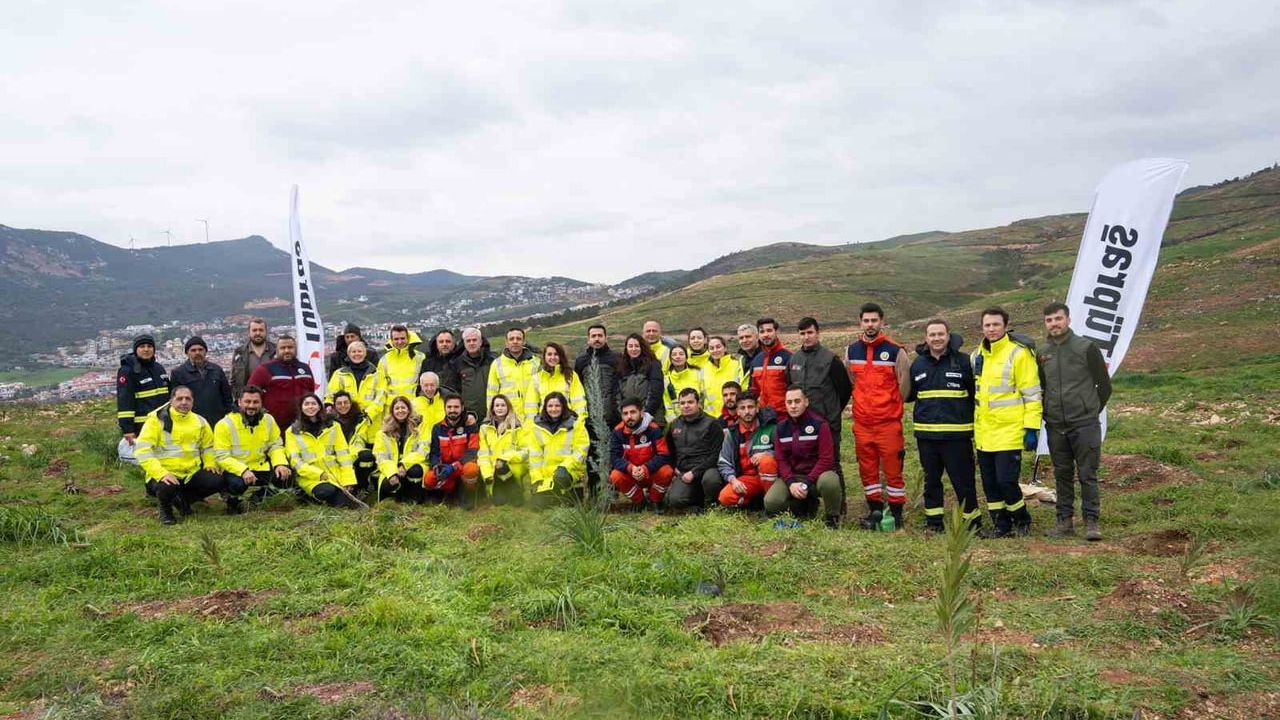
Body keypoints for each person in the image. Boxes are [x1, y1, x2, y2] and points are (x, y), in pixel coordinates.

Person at [1040, 302, 1112, 541]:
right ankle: (1064, 522)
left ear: (1068, 320)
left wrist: (1089, 410)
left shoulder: (1086, 347)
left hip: (1084, 424)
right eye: (1049, 320)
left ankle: (1092, 522)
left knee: (1087, 474)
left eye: (1058, 318)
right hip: (1055, 425)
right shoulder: (1042, 352)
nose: (1054, 324)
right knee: (1062, 474)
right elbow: (1042, 386)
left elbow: (1104, 385)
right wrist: (1048, 412)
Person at [907, 319, 981, 533]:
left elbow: (975, 394)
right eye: (932, 335)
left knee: (964, 483)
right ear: (926, 338)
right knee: (931, 482)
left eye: (941, 334)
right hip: (927, 437)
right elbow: (911, 395)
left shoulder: (964, 362)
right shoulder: (918, 364)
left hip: (957, 437)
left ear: (948, 336)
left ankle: (972, 524)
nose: (937, 338)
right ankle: (934, 523)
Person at [973, 307, 1041, 537]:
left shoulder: (1019, 353)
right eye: (987, 325)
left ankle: (1021, 520)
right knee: (990, 483)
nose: (991, 329)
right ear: (982, 327)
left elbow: (1032, 394)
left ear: (1005, 326)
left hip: (1009, 432)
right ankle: (1000, 525)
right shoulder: (977, 355)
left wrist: (1031, 428)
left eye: (996, 324)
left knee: (1006, 481)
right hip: (984, 433)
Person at [845, 303, 911, 529]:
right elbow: (851, 381)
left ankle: (896, 516)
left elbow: (904, 386)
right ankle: (874, 512)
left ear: (882, 321)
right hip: (862, 424)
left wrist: (890, 408)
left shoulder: (895, 351)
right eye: (866, 320)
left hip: (888, 424)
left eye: (874, 320)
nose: (870, 324)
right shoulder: (851, 351)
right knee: (867, 470)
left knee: (893, 471)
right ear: (860, 322)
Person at [134, 385, 224, 525]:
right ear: (171, 401)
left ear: (193, 402)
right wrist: (161, 474)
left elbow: (208, 446)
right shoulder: (156, 421)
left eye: (188, 399)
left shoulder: (200, 421)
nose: (184, 402)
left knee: (217, 480)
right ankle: (166, 511)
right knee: (167, 486)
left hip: (190, 473)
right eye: (179, 399)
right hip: (163, 474)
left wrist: (209, 463)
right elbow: (142, 451)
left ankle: (183, 501)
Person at [765, 386, 843, 528]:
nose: (793, 406)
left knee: (830, 482)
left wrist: (807, 483)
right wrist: (790, 483)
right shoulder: (781, 428)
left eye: (797, 401)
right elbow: (781, 460)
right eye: (789, 402)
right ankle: (804, 508)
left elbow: (826, 459)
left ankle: (832, 518)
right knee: (771, 502)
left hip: (817, 477)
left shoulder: (820, 424)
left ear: (806, 402)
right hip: (794, 477)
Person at [787, 318, 852, 484]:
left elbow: (844, 390)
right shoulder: (794, 360)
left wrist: (832, 411)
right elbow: (790, 388)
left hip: (828, 423)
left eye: (810, 332)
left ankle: (838, 499)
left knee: (832, 464)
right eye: (802, 333)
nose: (806, 337)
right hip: (801, 424)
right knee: (805, 465)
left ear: (817, 333)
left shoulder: (831, 359)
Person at [214, 385, 292, 511]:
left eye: (256, 402)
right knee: (237, 485)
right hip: (235, 470)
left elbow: (275, 445)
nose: (251, 405)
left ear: (261, 403)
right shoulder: (224, 424)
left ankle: (257, 498)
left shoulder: (268, 420)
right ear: (239, 402)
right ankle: (232, 500)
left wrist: (280, 464)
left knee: (287, 476)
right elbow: (222, 456)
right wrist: (243, 470)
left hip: (260, 466)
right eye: (247, 401)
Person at [285, 393, 359, 508]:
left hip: (334, 474)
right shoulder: (292, 431)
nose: (310, 407)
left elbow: (343, 455)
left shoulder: (333, 426)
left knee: (345, 500)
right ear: (301, 408)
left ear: (319, 406)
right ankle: (306, 495)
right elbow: (295, 461)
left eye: (313, 403)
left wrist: (348, 479)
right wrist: (319, 474)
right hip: (310, 478)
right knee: (327, 491)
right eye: (306, 404)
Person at [664, 388, 725, 511]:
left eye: (690, 402)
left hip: (707, 469)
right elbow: (669, 450)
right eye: (682, 403)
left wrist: (695, 472)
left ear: (698, 403)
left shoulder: (712, 423)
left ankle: (712, 504)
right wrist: (674, 466)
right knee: (674, 500)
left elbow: (717, 454)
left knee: (711, 480)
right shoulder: (674, 425)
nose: (686, 406)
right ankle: (697, 502)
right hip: (684, 472)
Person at [716, 391, 779, 509]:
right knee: (725, 497)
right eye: (742, 408)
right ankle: (756, 501)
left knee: (766, 461)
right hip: (748, 479)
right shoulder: (732, 433)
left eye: (750, 407)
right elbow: (724, 462)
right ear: (737, 411)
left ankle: (771, 502)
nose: (747, 411)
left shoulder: (771, 428)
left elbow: (785, 454)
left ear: (757, 408)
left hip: (770, 478)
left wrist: (768, 454)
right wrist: (733, 481)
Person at [609, 397, 674, 510]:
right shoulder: (617, 432)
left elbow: (663, 455)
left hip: (650, 473)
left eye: (633, 412)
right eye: (625, 413)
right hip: (631, 474)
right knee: (615, 476)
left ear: (641, 412)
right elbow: (615, 458)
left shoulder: (654, 429)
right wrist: (630, 468)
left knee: (667, 471)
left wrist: (646, 468)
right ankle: (639, 501)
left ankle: (655, 500)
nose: (629, 416)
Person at [526, 392, 589, 507]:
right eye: (550, 406)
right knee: (536, 506)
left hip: (569, 471)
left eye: (557, 406)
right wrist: (537, 478)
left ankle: (571, 493)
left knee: (562, 482)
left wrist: (565, 467)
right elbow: (535, 456)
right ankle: (556, 496)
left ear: (563, 406)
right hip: (547, 475)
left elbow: (581, 451)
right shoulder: (537, 427)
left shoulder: (576, 424)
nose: (553, 409)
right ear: (545, 407)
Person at [247, 335, 317, 432]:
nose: (287, 350)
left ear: (296, 349)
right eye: (283, 348)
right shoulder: (265, 369)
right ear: (277, 350)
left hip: (303, 423)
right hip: (276, 425)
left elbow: (311, 392)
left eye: (290, 347)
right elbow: (250, 392)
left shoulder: (305, 368)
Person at [425, 393, 481, 505]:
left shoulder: (470, 425)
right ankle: (449, 491)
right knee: (429, 478)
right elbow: (434, 452)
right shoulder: (437, 428)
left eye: (456, 407)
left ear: (462, 408)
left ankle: (469, 494)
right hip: (446, 468)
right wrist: (437, 466)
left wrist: (454, 466)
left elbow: (473, 450)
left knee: (471, 469)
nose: (452, 410)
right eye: (449, 407)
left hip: (462, 466)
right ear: (445, 408)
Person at [116, 333, 171, 448]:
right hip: (141, 427)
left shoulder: (159, 368)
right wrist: (128, 429)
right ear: (135, 350)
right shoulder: (127, 371)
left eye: (149, 346)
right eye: (142, 346)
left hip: (163, 424)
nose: (146, 349)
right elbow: (125, 402)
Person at [170, 336, 234, 426]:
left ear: (205, 351)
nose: (197, 352)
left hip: (218, 421)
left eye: (200, 349)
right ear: (187, 353)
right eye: (193, 350)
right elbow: (175, 401)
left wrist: (228, 415)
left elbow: (227, 396)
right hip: (192, 423)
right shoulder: (178, 373)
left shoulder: (217, 370)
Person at [477, 394, 528, 505]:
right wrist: (487, 475)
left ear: (508, 407)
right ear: (492, 408)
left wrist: (505, 458)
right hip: (494, 469)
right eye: (497, 405)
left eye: (503, 405)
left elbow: (525, 452)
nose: (500, 408)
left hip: (513, 466)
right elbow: (483, 454)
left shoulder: (517, 426)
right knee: (498, 502)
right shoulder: (484, 428)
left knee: (517, 503)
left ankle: (516, 490)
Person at [375, 396, 427, 503]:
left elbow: (423, 451)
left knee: (416, 471)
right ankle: (396, 496)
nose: (400, 411)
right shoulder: (383, 433)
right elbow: (380, 457)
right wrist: (392, 473)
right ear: (392, 411)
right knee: (388, 484)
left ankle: (414, 497)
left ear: (409, 409)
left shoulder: (420, 427)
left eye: (403, 407)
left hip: (410, 466)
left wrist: (404, 465)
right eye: (397, 408)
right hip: (392, 468)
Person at [523, 342, 587, 420]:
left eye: (556, 354)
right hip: (544, 422)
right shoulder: (537, 378)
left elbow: (579, 403)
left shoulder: (571, 376)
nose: (552, 357)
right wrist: (531, 424)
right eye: (549, 354)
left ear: (561, 356)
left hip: (567, 421)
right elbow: (531, 407)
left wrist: (579, 422)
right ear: (544, 357)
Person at [331, 390, 379, 493]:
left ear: (351, 403)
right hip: (336, 456)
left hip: (355, 452)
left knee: (367, 456)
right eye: (339, 403)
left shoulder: (361, 419)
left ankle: (362, 487)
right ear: (334, 405)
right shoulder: (329, 422)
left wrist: (350, 456)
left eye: (346, 402)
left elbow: (359, 441)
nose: (343, 406)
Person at [574, 324, 621, 428]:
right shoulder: (580, 361)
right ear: (588, 339)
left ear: (606, 338)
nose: (597, 339)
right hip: (589, 418)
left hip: (614, 418)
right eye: (593, 336)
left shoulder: (617, 358)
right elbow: (577, 388)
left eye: (600, 335)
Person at [325, 340, 382, 423]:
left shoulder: (377, 374)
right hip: (346, 420)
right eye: (353, 352)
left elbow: (381, 397)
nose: (357, 354)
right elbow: (331, 393)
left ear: (365, 353)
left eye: (360, 351)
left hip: (372, 420)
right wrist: (328, 404)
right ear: (349, 354)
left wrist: (368, 414)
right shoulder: (339, 374)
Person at [616, 333, 665, 426]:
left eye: (637, 346)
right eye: (630, 346)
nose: (633, 349)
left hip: (651, 418)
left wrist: (646, 414)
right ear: (626, 348)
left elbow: (656, 391)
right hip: (629, 419)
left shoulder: (653, 364)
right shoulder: (622, 367)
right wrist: (623, 414)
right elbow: (617, 394)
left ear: (642, 347)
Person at [487, 327, 538, 412]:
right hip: (508, 415)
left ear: (524, 342)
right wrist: (492, 414)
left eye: (518, 339)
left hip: (532, 414)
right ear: (506, 342)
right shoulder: (496, 364)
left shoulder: (536, 362)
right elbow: (491, 393)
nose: (515, 341)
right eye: (511, 339)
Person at [450, 327, 496, 420]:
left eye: (474, 340)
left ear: (481, 342)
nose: (471, 343)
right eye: (468, 341)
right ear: (464, 343)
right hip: (469, 416)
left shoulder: (492, 360)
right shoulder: (457, 364)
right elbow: (455, 391)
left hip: (494, 411)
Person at [377, 325, 423, 416]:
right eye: (396, 339)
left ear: (408, 338)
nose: (399, 342)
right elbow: (380, 388)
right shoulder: (384, 360)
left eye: (402, 338)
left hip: (413, 407)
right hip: (391, 409)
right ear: (391, 340)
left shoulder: (420, 358)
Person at [749, 318, 792, 414]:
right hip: (763, 414)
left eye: (769, 330)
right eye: (762, 332)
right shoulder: (756, 360)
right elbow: (753, 390)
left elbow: (794, 388)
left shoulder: (788, 357)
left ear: (776, 332)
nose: (765, 335)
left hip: (784, 414)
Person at [230, 318, 275, 399]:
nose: (258, 333)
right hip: (249, 401)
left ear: (266, 332)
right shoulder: (239, 353)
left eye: (261, 330)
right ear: (249, 332)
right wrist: (239, 398)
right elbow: (233, 380)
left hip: (272, 399)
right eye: (254, 330)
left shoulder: (276, 351)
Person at [702, 335, 744, 418]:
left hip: (732, 415)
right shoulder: (704, 369)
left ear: (725, 348)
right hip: (710, 418)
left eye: (718, 347)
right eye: (712, 348)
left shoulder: (737, 365)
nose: (715, 350)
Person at [662, 346, 706, 422]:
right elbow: (667, 404)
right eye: (674, 354)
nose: (678, 357)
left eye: (681, 354)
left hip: (699, 419)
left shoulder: (698, 373)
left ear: (686, 357)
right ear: (670, 359)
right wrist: (674, 422)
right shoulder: (666, 379)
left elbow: (705, 397)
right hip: (678, 421)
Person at [421, 329, 463, 394]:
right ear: (436, 344)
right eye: (441, 342)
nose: (444, 344)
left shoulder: (461, 361)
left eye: (448, 341)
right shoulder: (428, 363)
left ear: (454, 343)